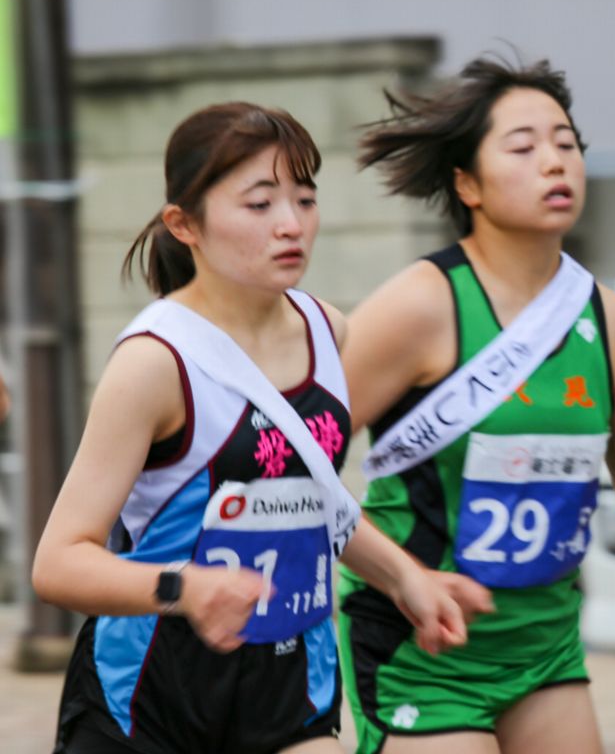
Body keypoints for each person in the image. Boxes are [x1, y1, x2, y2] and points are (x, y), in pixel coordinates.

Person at [31, 102, 470, 754]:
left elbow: (306, 494)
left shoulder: (328, 328)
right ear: (186, 225)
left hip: (290, 684)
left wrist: (405, 577)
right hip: (149, 699)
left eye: (304, 198)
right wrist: (187, 589)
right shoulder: (155, 362)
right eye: (260, 204)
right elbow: (59, 565)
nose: (291, 225)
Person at [336, 57, 615, 754]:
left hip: (544, 647)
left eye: (566, 144)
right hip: (423, 646)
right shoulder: (421, 307)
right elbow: (291, 467)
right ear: (467, 184)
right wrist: (403, 576)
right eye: (523, 147)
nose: (554, 162)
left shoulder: (613, 322)